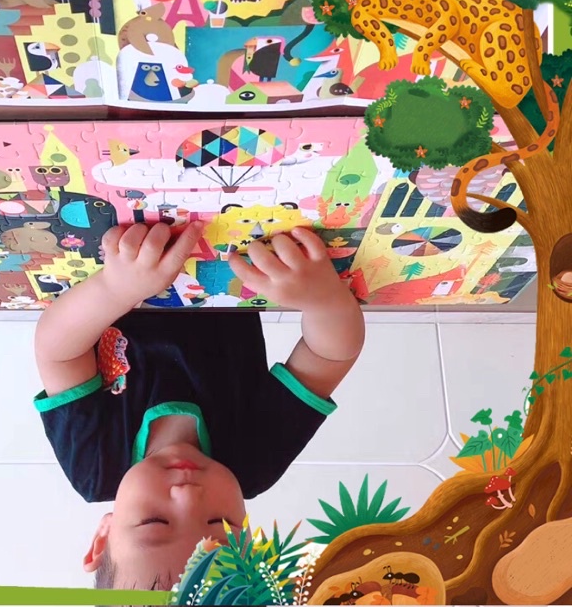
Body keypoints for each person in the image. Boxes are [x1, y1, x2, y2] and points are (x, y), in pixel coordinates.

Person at [33, 220, 365, 590]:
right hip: (226, 239)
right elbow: (328, 358)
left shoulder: (93, 465)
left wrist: (114, 288)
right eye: (220, 523)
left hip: (120, 245)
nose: (187, 494)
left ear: (103, 538)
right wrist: (325, 301)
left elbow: (58, 353)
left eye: (155, 522)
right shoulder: (256, 462)